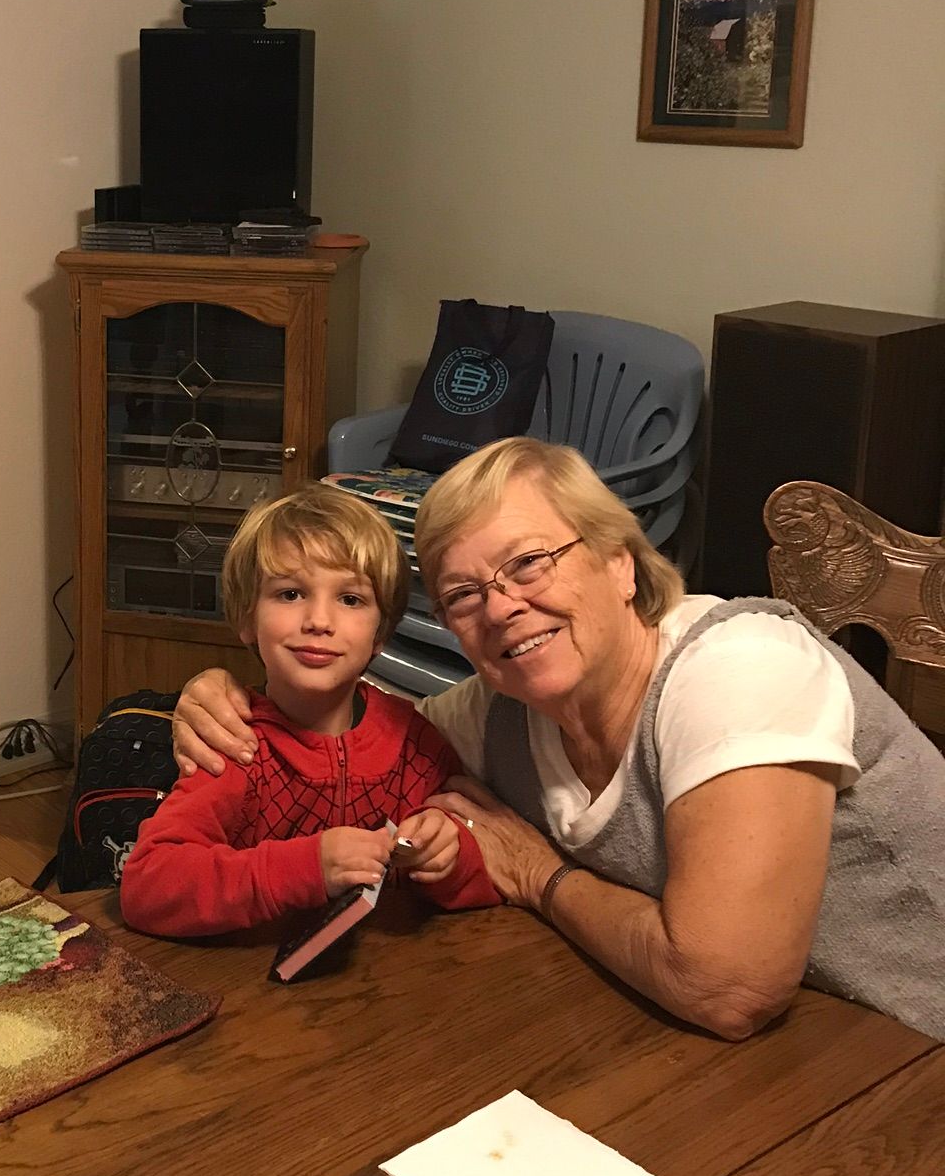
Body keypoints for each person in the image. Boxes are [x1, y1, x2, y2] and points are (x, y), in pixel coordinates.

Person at [173, 438, 945, 1042]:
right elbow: (353, 738)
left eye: (529, 563)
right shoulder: (503, 709)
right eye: (463, 595)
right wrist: (221, 696)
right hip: (817, 1046)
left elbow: (725, 989)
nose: (502, 606)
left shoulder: (741, 667)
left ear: (620, 563)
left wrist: (539, 874)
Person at [120, 484, 496, 937]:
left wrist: (450, 857)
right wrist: (307, 867)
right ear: (246, 618)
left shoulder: (416, 743)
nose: (319, 620)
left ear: (380, 635)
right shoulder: (234, 744)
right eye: (290, 593)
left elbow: (485, 875)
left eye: (350, 599)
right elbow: (147, 886)